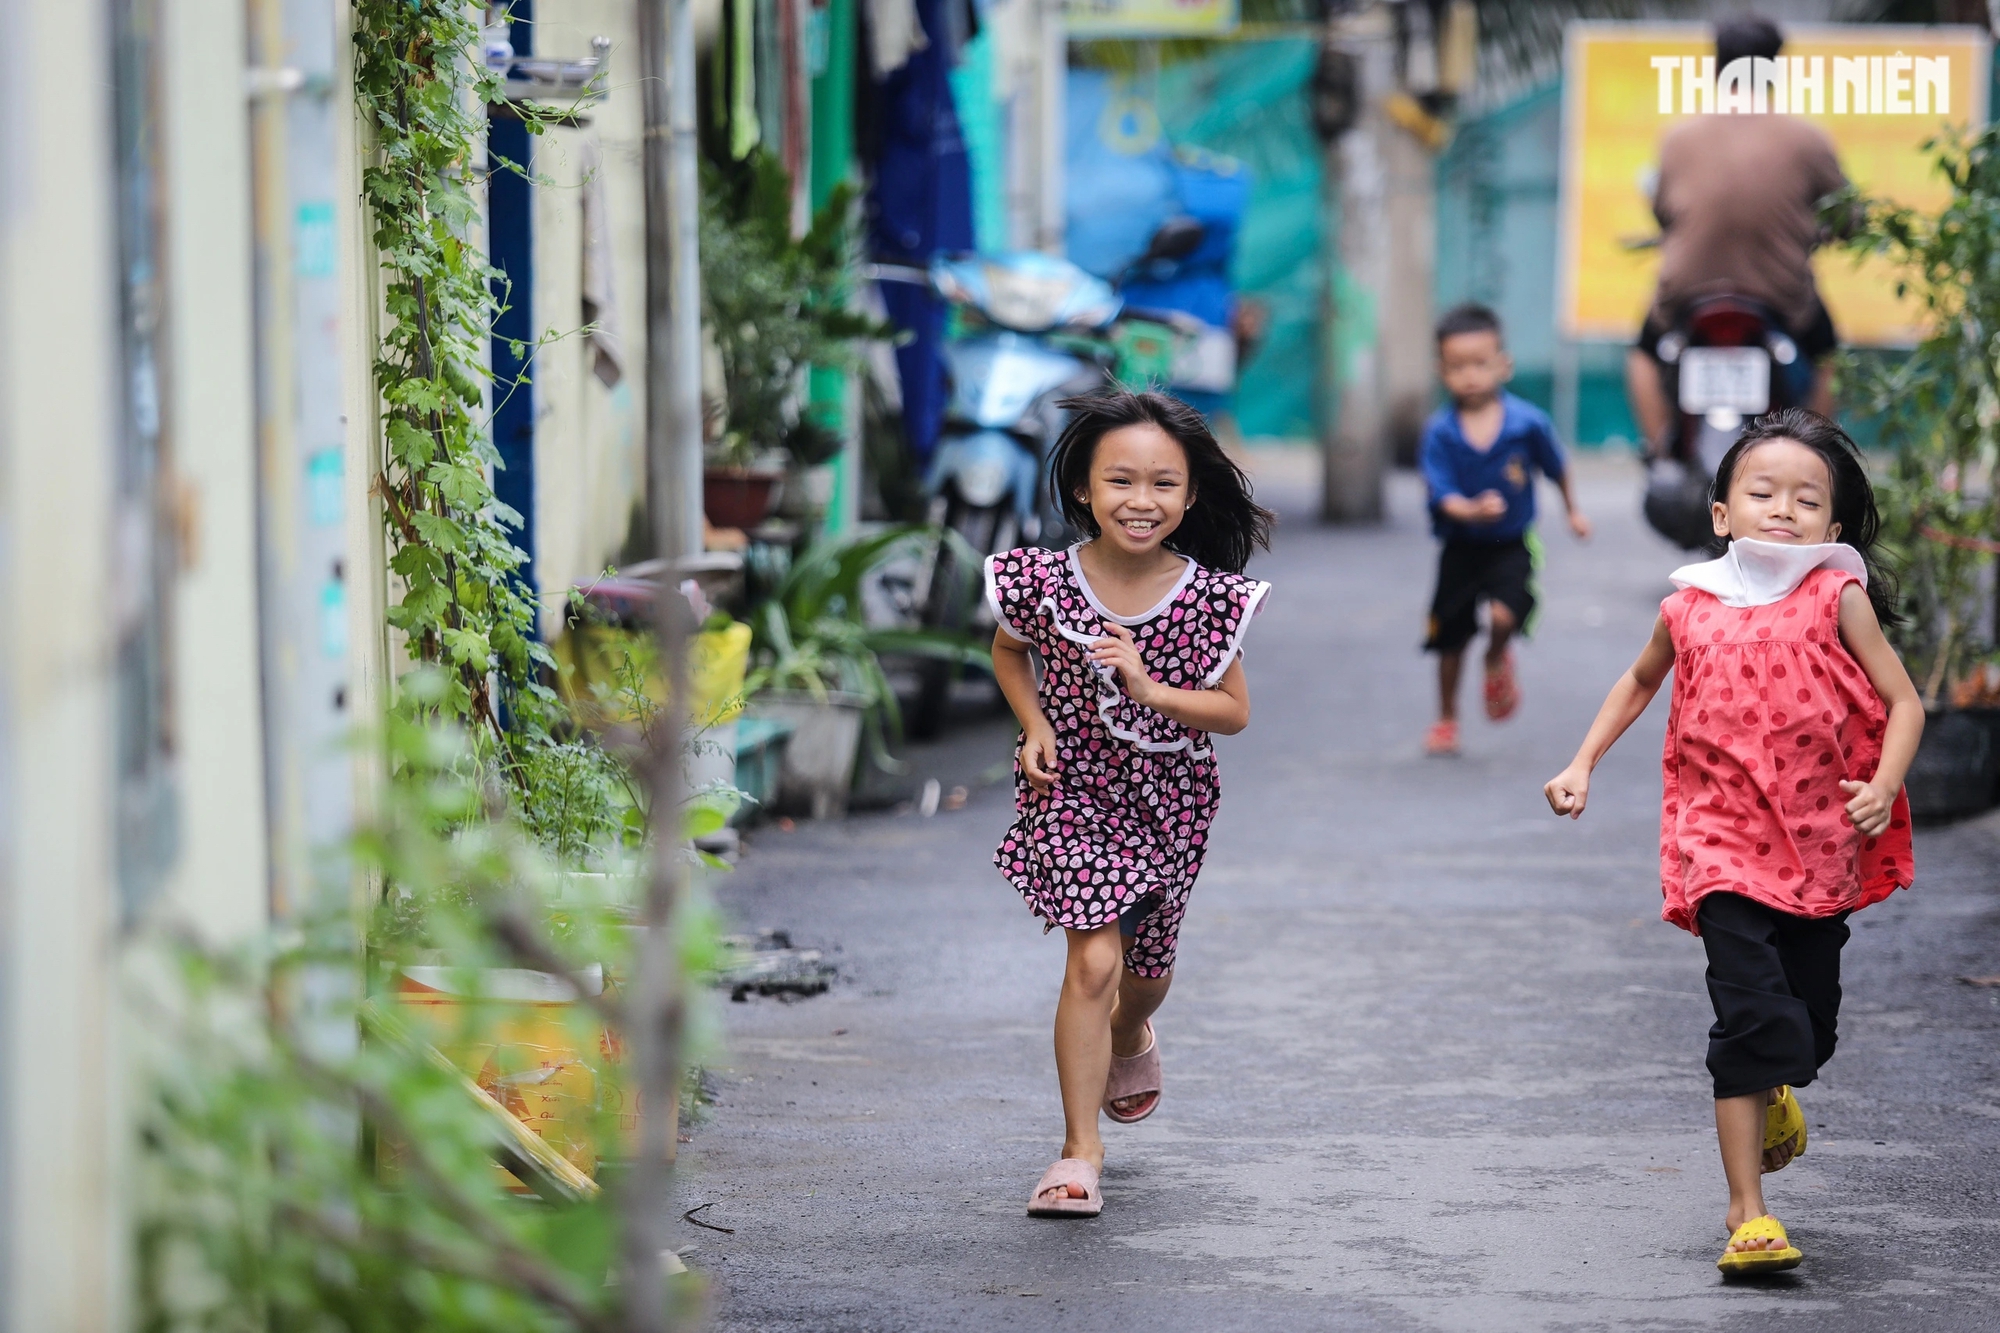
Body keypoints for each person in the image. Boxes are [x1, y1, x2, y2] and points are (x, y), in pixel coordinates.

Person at [1543, 408, 1922, 1276]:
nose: (1782, 508)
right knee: (1748, 1020)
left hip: (1819, 845)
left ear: (1831, 525)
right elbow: (1639, 681)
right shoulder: (1690, 606)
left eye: (1805, 498)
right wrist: (1582, 762)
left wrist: (1885, 781)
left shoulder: (1838, 597)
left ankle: (1780, 1085)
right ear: (1721, 513)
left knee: (1807, 1031)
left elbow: (1904, 702)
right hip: (1721, 849)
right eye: (1761, 492)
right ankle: (1747, 1211)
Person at [984, 389, 1273, 1219]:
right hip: (1070, 790)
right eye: (1119, 481)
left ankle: (1130, 1035)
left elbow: (1234, 712)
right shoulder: (1042, 581)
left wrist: (1150, 686)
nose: (1139, 501)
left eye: (1161, 485)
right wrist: (1034, 722)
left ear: (1187, 497)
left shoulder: (1210, 598)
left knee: (1142, 980)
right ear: (1082, 487)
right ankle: (1079, 1152)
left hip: (1171, 802)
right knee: (1094, 961)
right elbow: (1009, 653)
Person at [1628, 16, 1849, 448]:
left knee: (1643, 352)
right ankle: (1814, 454)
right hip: (1780, 294)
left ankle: (1659, 453)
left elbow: (1662, 211)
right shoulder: (1807, 139)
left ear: (1718, 65)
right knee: (1829, 356)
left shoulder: (1678, 138)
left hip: (1688, 291)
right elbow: (1848, 215)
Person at [1419, 303, 1591, 756]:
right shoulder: (1440, 432)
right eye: (1457, 367)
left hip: (1511, 545)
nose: (1469, 375)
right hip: (1459, 548)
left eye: (1480, 363)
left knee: (1502, 615)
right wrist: (1469, 510)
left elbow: (1557, 467)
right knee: (1449, 639)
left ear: (1503, 365)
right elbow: (1441, 493)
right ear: (1442, 371)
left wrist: (1573, 511)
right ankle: (1446, 717)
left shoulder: (1526, 423)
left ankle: (1496, 654)